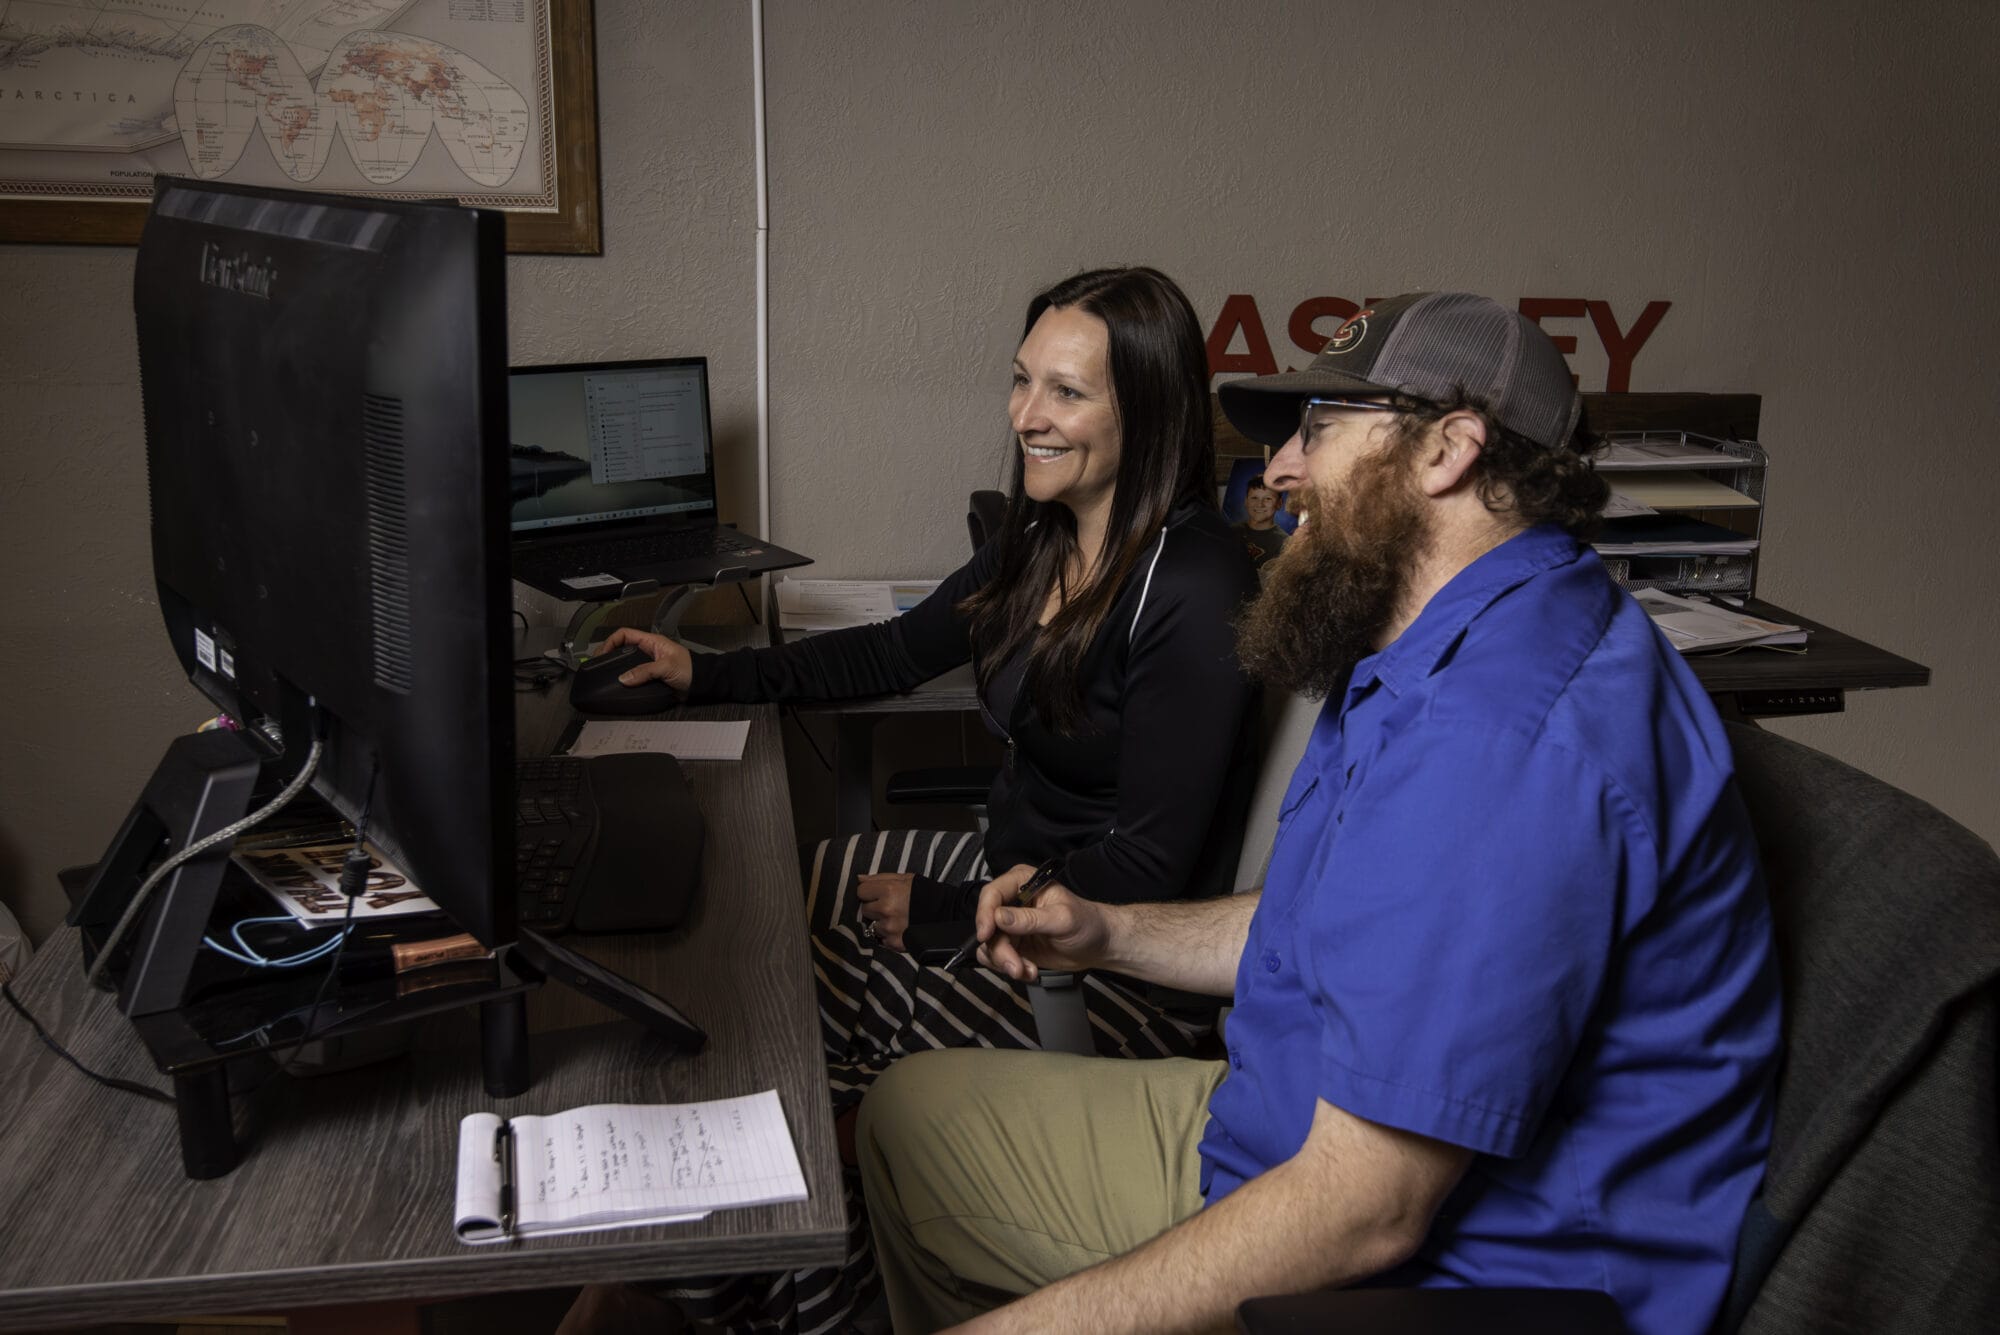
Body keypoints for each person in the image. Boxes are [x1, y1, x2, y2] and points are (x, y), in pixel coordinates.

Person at [853, 292, 1783, 1335]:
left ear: (1447, 451)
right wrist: (1109, 931)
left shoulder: (1501, 739)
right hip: (1280, 1123)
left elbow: (1366, 1215)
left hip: (1434, 1271)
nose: (1279, 470)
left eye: (1319, 430)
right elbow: (1334, 919)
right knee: (906, 1119)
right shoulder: (1430, 645)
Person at [583, 266, 1261, 1333]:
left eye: (1067, 393)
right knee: (777, 914)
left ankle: (786, 1280)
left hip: (1111, 964)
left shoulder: (1193, 586)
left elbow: (1151, 868)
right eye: (1022, 380)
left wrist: (945, 914)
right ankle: (713, 1268)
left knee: (799, 1064)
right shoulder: (1041, 539)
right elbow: (892, 653)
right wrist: (702, 671)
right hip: (1013, 880)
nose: (1026, 416)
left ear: (1150, 410)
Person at [1231, 475, 1287, 567]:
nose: (1260, 504)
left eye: (1268, 499)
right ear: (1246, 501)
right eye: (1254, 498)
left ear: (1279, 504)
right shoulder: (1230, 533)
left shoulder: (1285, 544)